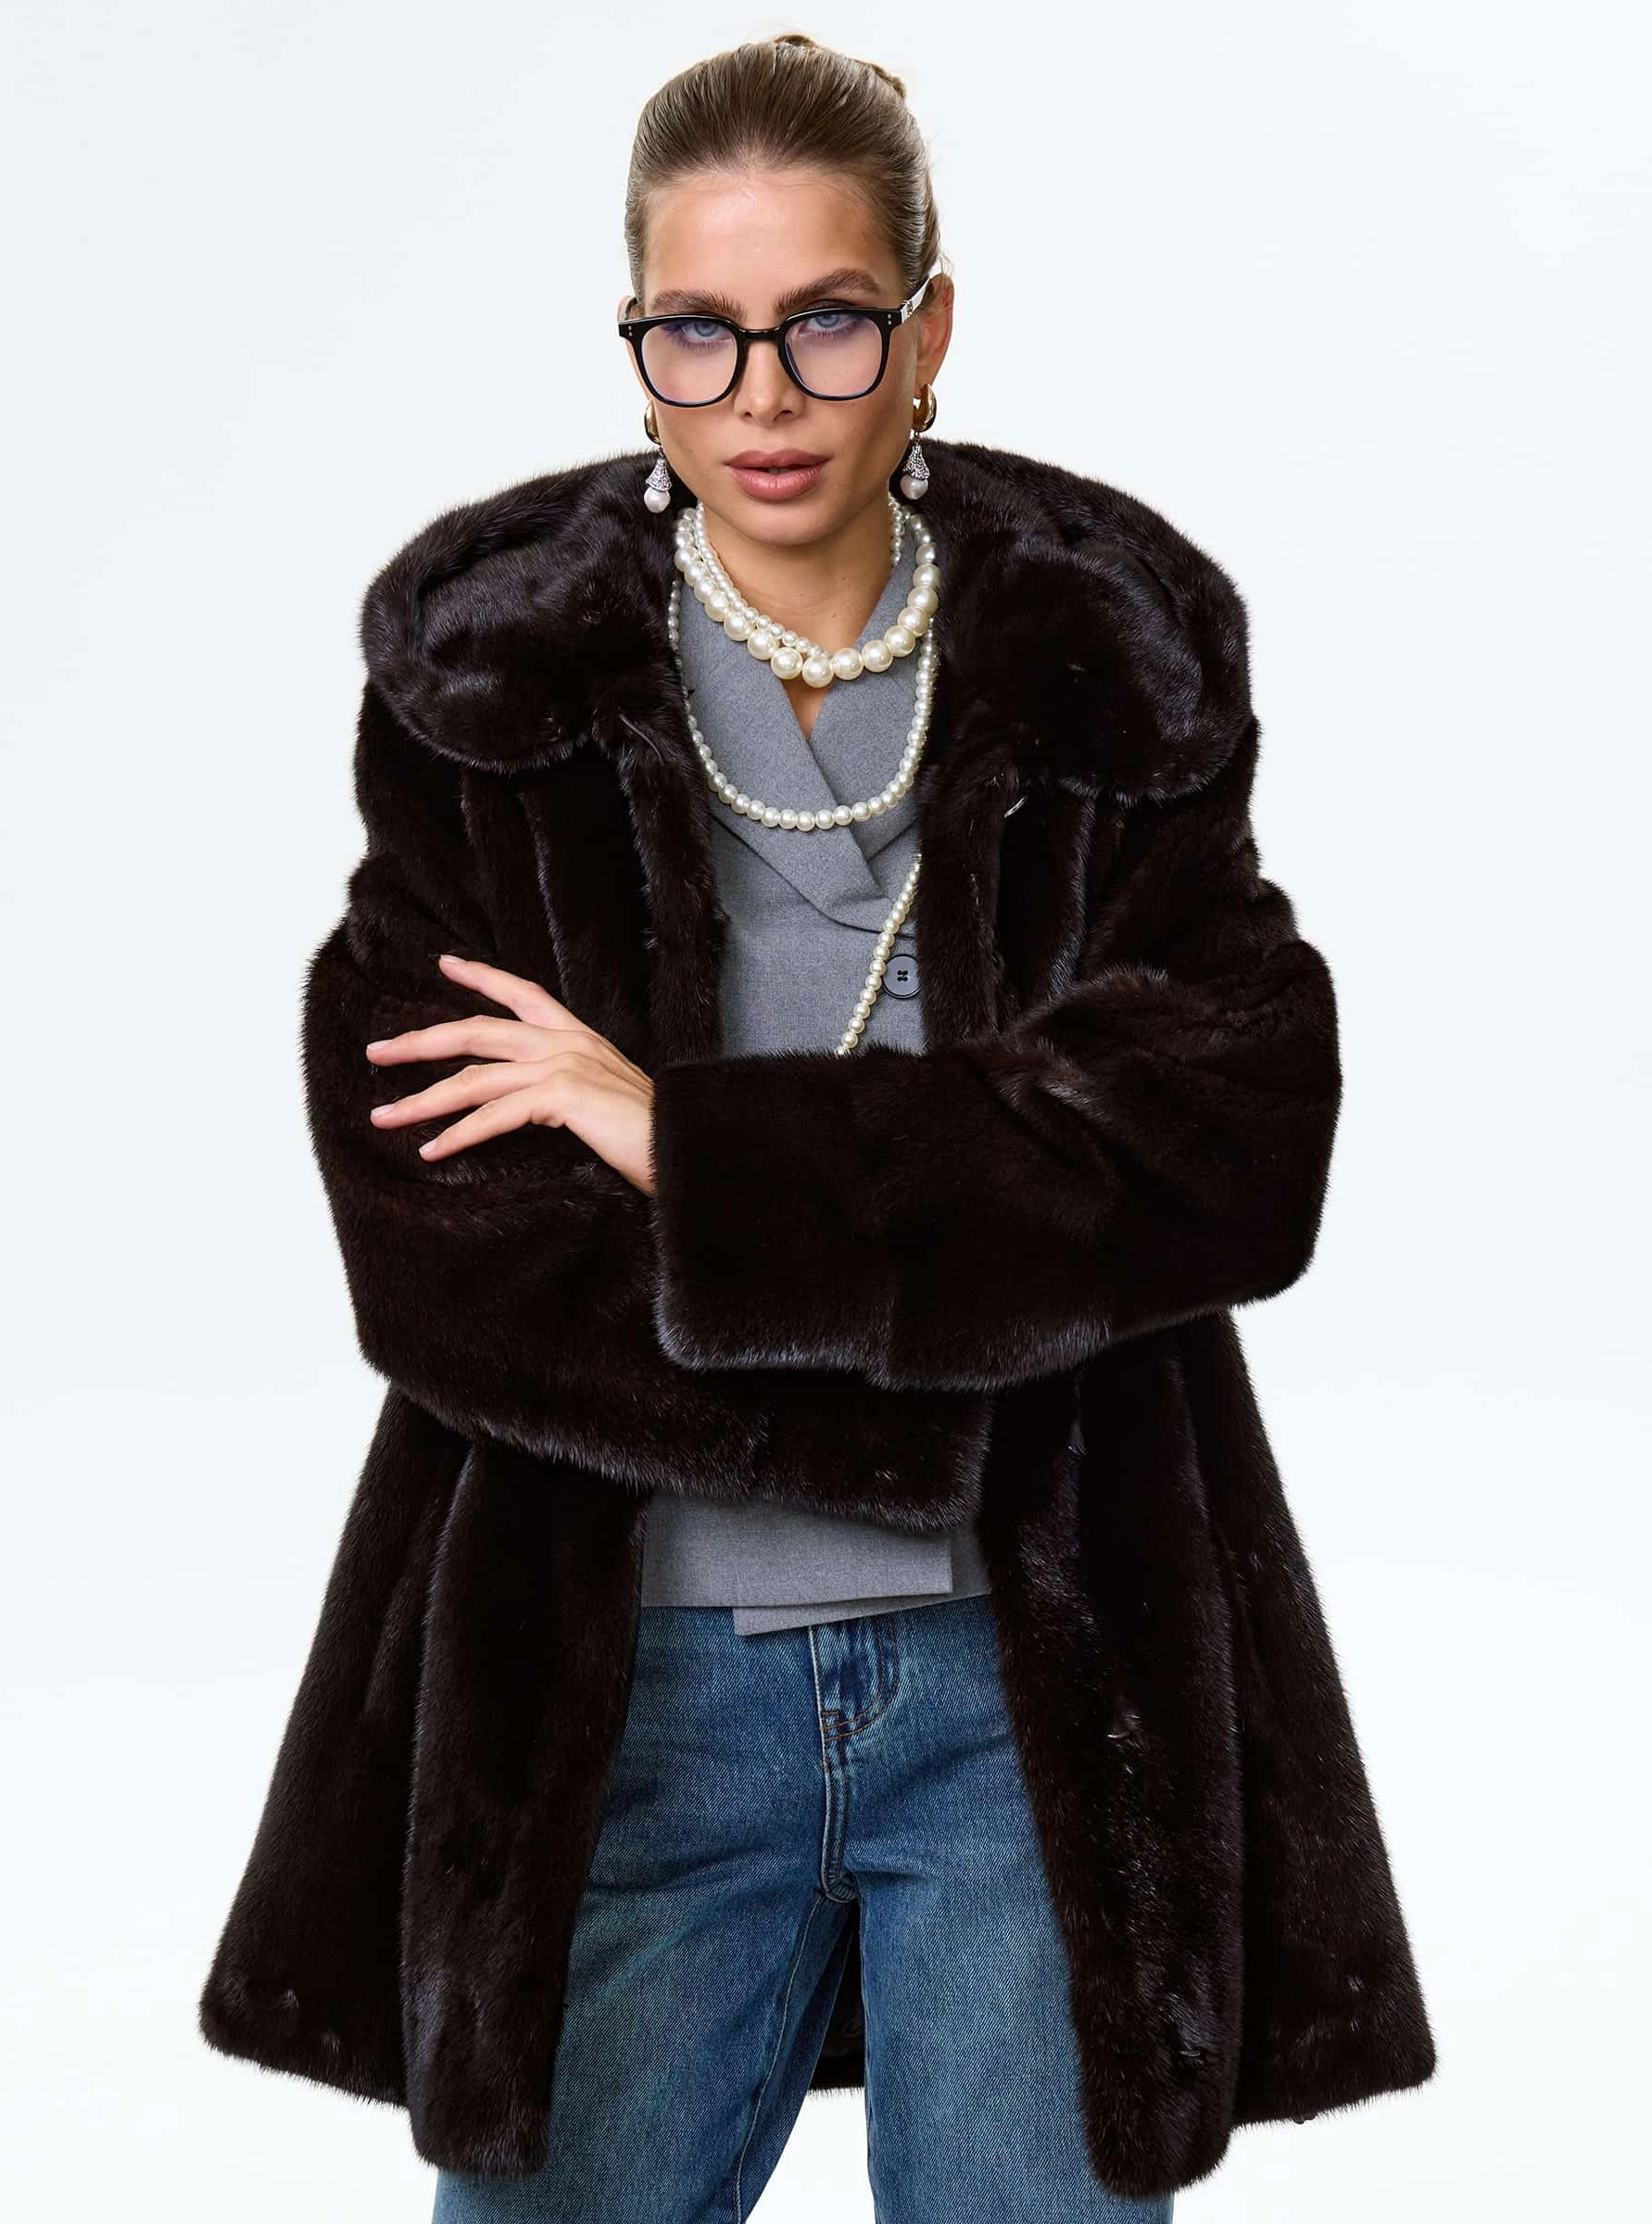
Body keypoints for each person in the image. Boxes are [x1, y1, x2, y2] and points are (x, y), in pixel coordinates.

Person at [198, 31, 1437, 2222]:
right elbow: (450, 1260)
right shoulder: (492, 704)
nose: (763, 395)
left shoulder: (1110, 675)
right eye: (698, 330)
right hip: (632, 1696)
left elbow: (1234, 1143)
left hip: (1035, 1694)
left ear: (929, 332)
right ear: (638, 347)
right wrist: (977, 1265)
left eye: (829, 322)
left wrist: (681, 1147)